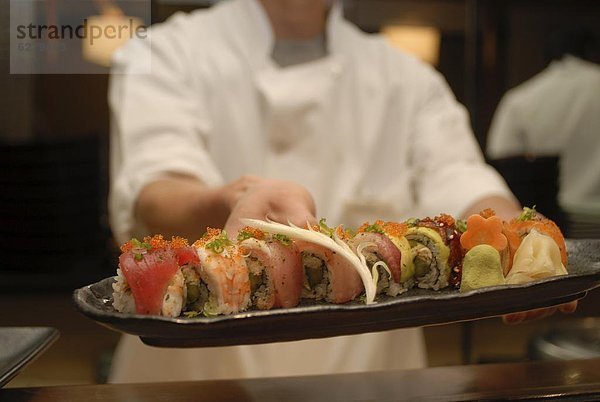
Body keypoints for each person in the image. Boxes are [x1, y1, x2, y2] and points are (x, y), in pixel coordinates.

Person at [107, 0, 574, 383]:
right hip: (191, 379)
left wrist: (525, 243)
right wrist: (234, 198)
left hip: (371, 376)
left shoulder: (407, 77)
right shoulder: (165, 51)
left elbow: (466, 182)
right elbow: (155, 189)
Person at [487, 28, 600, 231]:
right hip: (551, 223)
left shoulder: (520, 99)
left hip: (547, 222)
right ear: (591, 51)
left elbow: (501, 160)